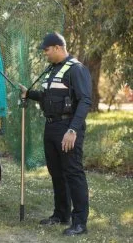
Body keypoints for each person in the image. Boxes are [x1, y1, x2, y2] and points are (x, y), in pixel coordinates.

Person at [19, 32, 92, 236]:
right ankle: (61, 214)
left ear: (58, 47)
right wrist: (29, 94)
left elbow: (85, 101)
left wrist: (72, 130)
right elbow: (47, 97)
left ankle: (80, 223)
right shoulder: (53, 70)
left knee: (73, 173)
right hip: (51, 127)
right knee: (56, 173)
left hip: (68, 127)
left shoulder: (76, 69)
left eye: (47, 49)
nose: (45, 53)